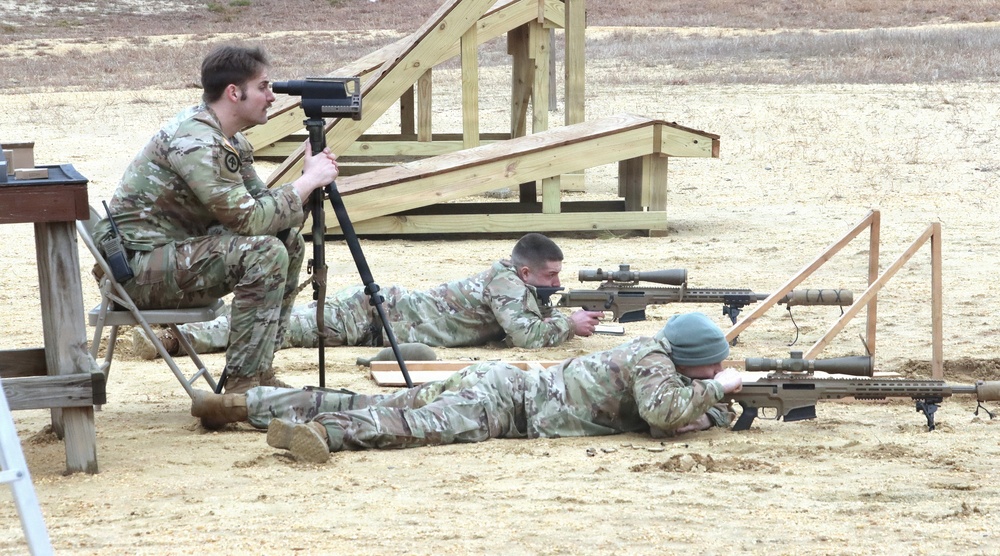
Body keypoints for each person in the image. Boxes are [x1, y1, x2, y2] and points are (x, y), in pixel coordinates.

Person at [92, 45, 341, 394]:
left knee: (288, 242)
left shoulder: (227, 138)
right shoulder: (197, 142)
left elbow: (262, 211)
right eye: (264, 87)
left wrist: (306, 180)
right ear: (234, 93)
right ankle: (242, 388)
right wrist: (307, 182)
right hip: (136, 274)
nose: (272, 96)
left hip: (169, 257)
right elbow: (250, 220)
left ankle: (258, 373)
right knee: (263, 252)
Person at [190, 312, 743, 463]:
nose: (713, 373)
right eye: (710, 366)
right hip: (505, 405)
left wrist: (710, 405)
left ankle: (244, 404)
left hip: (498, 384)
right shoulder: (654, 360)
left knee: (378, 399)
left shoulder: (655, 355)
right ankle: (316, 433)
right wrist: (724, 389)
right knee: (407, 424)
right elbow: (667, 415)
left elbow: (667, 415)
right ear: (693, 361)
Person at [133, 233, 604, 357]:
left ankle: (181, 335)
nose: (556, 284)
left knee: (283, 327)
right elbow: (523, 336)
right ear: (525, 271)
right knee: (280, 327)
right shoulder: (506, 281)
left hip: (380, 319)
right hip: (370, 316)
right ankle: (178, 336)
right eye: (550, 277)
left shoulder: (516, 282)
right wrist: (569, 323)